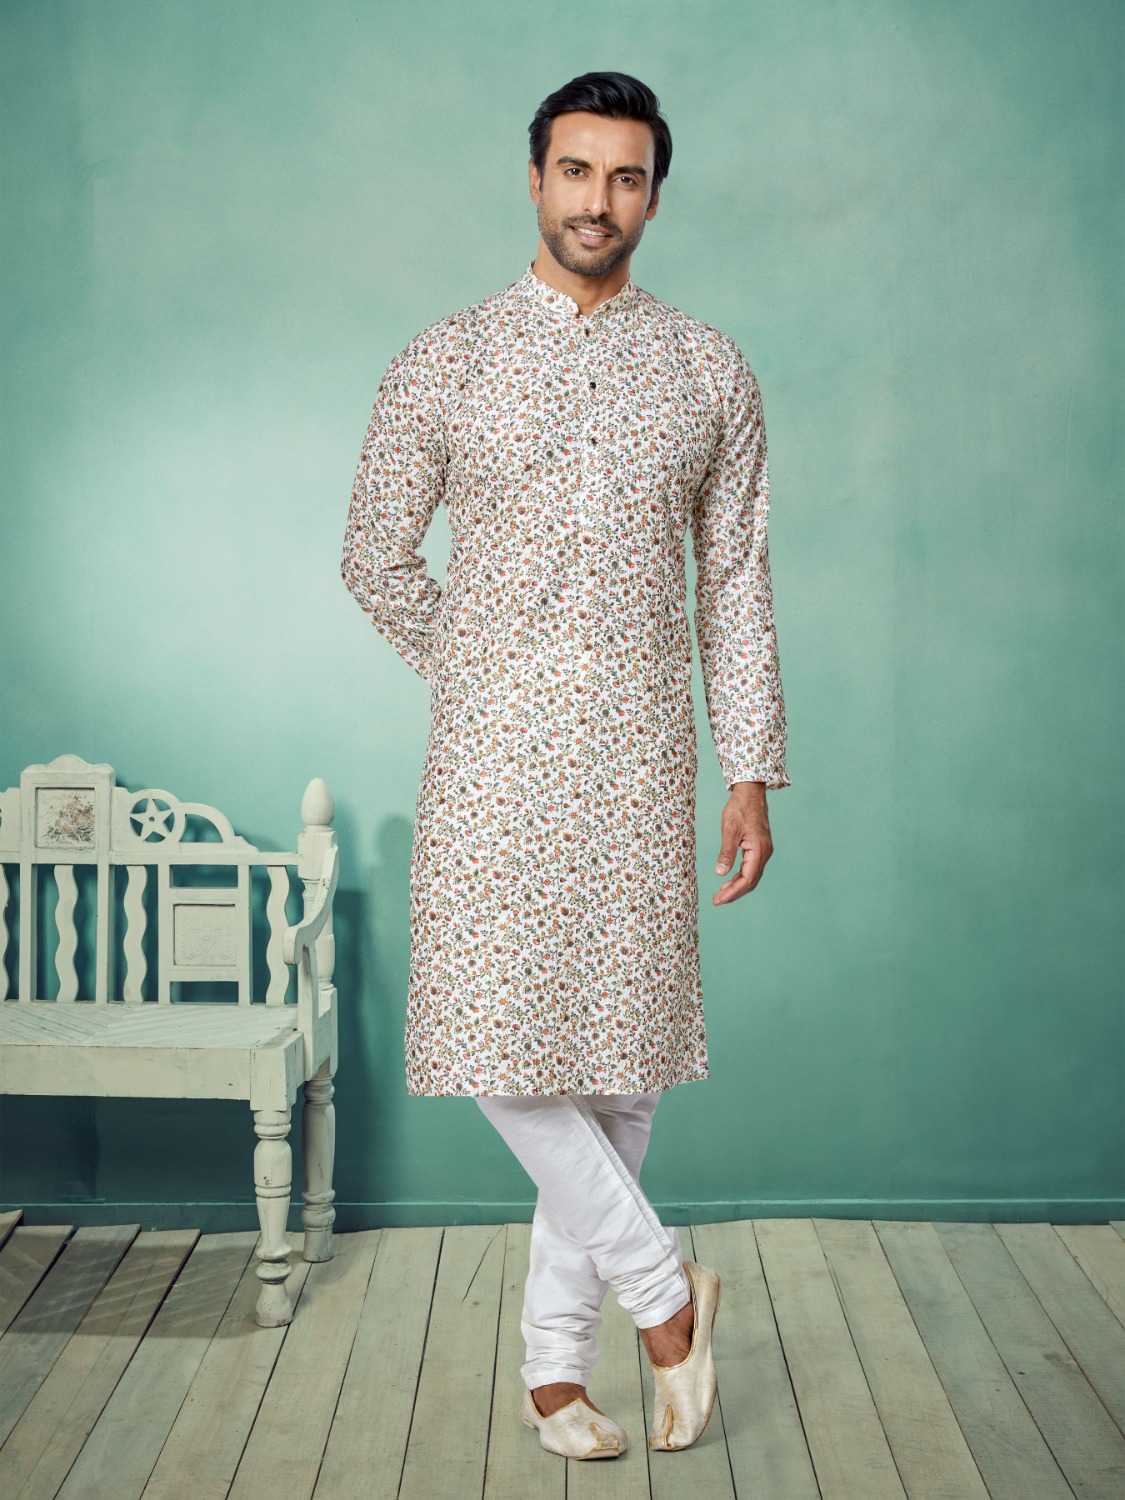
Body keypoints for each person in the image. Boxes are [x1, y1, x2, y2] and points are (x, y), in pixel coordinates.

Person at [341, 70, 789, 1460]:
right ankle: (665, 1299)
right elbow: (373, 553)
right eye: (577, 171)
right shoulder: (447, 358)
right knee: (499, 1040)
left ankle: (554, 1372)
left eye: (627, 177)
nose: (599, 200)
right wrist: (479, 666)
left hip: (647, 753)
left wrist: (749, 766)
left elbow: (734, 577)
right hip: (492, 757)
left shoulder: (706, 368)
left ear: (654, 194)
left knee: (620, 1065)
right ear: (534, 179)